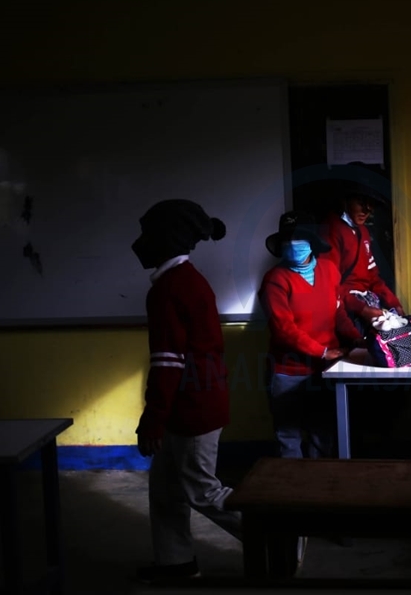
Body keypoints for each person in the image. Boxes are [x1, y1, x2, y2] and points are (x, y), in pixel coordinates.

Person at [129, 199, 242, 584]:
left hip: (193, 408)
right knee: (165, 490)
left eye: (147, 234)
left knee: (202, 491)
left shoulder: (170, 288)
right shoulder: (184, 280)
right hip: (194, 401)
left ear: (166, 238)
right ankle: (176, 564)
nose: (139, 243)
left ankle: (278, 536)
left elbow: (167, 363)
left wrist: (152, 421)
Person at [258, 210, 363, 459]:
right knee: (288, 437)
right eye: (287, 240)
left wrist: (356, 338)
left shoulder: (329, 270)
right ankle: (293, 493)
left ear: (312, 242)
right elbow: (283, 329)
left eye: (299, 239)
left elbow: (338, 314)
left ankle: (319, 491)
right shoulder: (275, 280)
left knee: (323, 433)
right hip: (288, 372)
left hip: (326, 370)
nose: (293, 245)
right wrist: (323, 351)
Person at [319, 175, 405, 330]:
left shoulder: (363, 231)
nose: (366, 210)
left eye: (370, 205)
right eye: (361, 203)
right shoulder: (331, 230)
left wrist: (394, 304)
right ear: (345, 201)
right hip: (346, 308)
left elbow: (373, 277)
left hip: (367, 302)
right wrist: (363, 310)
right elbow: (330, 285)